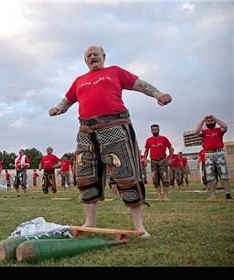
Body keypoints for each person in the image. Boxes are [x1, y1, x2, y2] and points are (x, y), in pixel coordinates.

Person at [49, 45, 172, 238]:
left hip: (115, 128)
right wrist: (58, 108)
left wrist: (158, 94)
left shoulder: (115, 71)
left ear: (103, 56)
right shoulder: (79, 81)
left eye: (95, 54)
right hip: (85, 132)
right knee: (85, 176)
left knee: (126, 175)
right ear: (85, 61)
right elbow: (67, 100)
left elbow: (140, 84)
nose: (92, 57)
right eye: (88, 56)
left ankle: (139, 226)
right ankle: (90, 222)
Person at [194, 115, 232, 200]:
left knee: (224, 174)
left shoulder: (219, 130)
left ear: (214, 122)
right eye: (208, 121)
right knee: (210, 176)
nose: (210, 122)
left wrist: (216, 119)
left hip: (219, 153)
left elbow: (225, 127)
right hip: (208, 155)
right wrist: (203, 119)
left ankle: (228, 194)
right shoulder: (204, 132)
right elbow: (196, 131)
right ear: (206, 123)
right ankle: (212, 195)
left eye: (211, 121)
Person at [143, 124, 174, 200]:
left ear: (159, 130)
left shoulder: (164, 139)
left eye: (156, 129)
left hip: (163, 160)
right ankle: (159, 196)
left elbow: (171, 148)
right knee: (155, 179)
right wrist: (145, 159)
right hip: (153, 161)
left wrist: (170, 159)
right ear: (151, 131)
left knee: (165, 178)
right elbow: (146, 150)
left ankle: (166, 196)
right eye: (153, 130)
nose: (155, 131)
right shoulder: (149, 140)